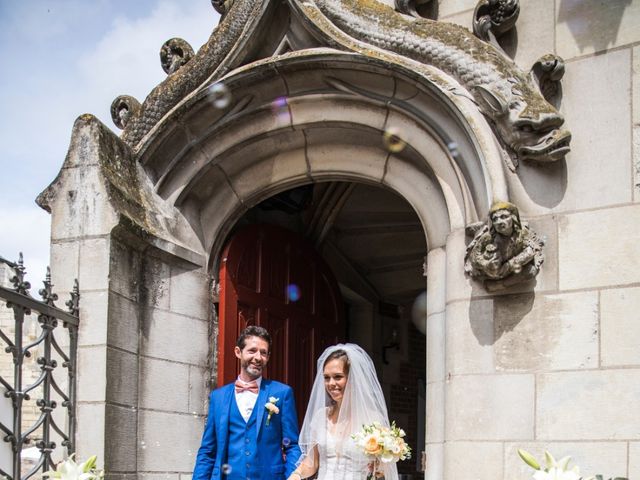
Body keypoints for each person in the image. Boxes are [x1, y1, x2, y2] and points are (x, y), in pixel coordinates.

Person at [193, 325, 301, 480]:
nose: (258, 357)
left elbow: (291, 446)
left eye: (263, 353)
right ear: (238, 352)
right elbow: (208, 450)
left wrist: (293, 477)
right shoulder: (218, 397)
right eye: (252, 350)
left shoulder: (282, 393)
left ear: (268, 357)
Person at [287, 344, 399, 480]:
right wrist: (296, 475)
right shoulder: (320, 417)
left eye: (338, 377)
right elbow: (312, 463)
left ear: (352, 378)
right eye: (327, 377)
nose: (331, 383)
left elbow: (383, 469)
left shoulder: (372, 420)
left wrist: (379, 468)